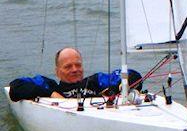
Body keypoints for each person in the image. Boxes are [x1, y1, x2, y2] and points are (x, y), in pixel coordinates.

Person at [8, 47, 141, 102]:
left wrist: (122, 85)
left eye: (78, 65)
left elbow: (132, 74)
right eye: (68, 66)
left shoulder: (96, 81)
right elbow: (15, 87)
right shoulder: (50, 86)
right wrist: (51, 94)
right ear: (57, 72)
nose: (75, 69)